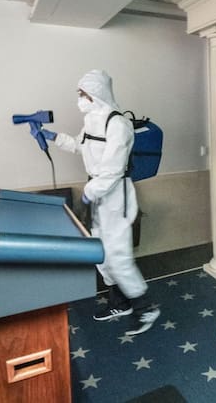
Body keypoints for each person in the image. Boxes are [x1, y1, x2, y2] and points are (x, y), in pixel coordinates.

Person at [39, 69, 160, 336]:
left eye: (82, 94)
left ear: (96, 94)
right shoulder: (92, 121)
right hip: (97, 193)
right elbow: (80, 146)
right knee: (102, 253)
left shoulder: (117, 124)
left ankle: (145, 308)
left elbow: (113, 171)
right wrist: (53, 137)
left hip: (115, 196)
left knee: (118, 256)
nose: (79, 99)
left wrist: (89, 193)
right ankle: (120, 302)